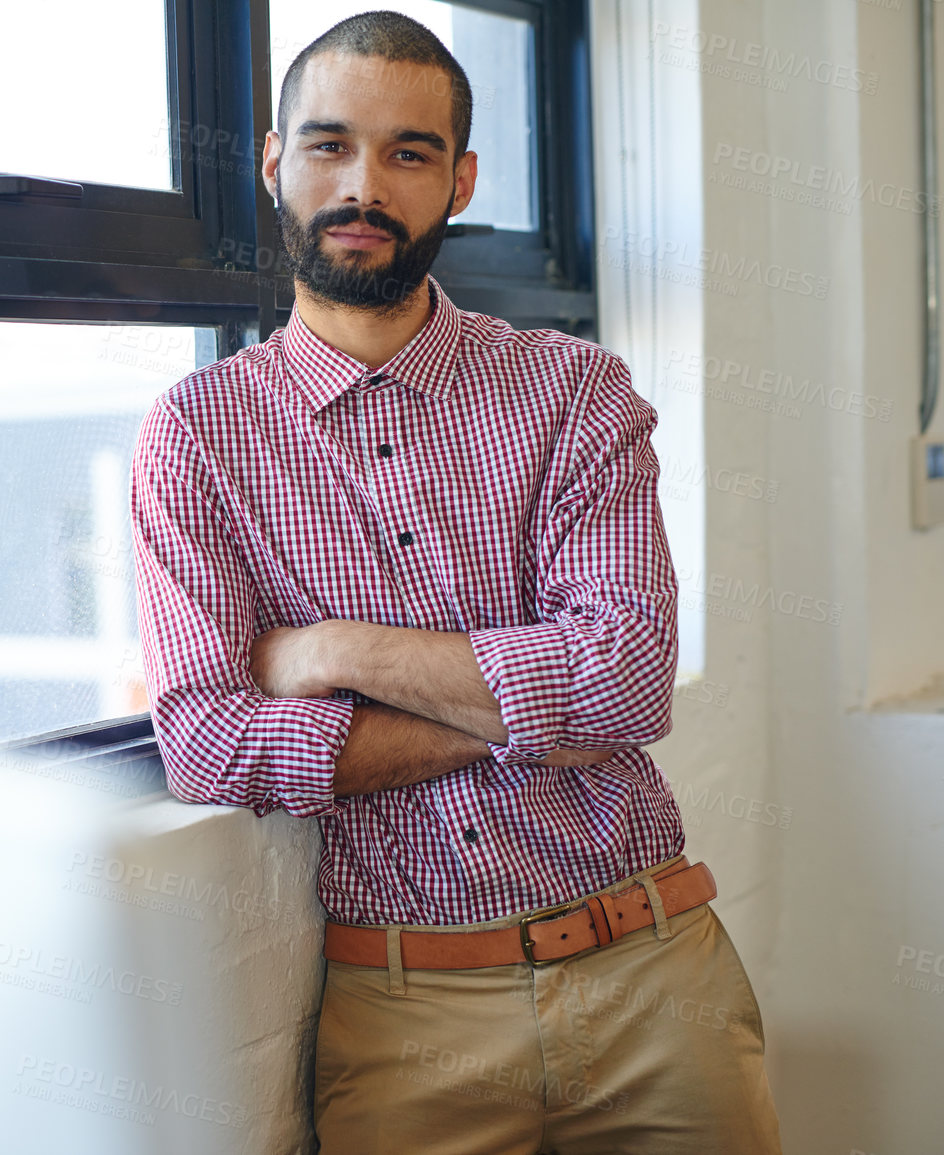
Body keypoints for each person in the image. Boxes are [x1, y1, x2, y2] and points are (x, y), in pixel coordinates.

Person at [127, 10, 782, 1154]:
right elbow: (208, 743)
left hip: (653, 976)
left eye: (409, 153)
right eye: (329, 146)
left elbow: (627, 686)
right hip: (402, 1015)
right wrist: (538, 704)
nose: (364, 186)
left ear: (461, 180)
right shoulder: (199, 437)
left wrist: (332, 650)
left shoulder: (574, 390)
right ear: (277, 163)